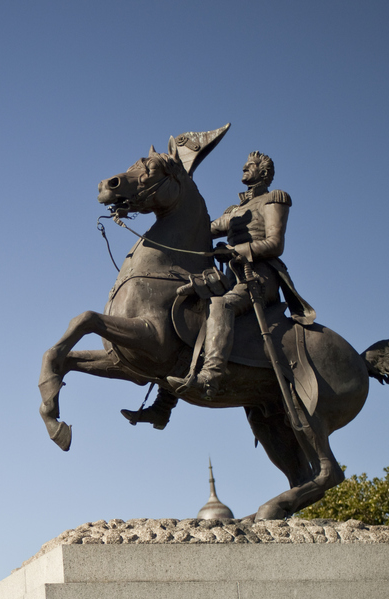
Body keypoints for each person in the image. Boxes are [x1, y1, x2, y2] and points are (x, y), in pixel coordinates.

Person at [127, 151, 314, 420]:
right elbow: (202, 228)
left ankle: (210, 376)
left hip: (259, 277)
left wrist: (237, 250)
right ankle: (163, 407)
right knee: (186, 315)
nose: (243, 168)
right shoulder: (234, 211)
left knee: (221, 304)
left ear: (263, 173)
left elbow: (275, 244)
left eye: (250, 166)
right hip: (232, 276)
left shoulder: (274, 199)